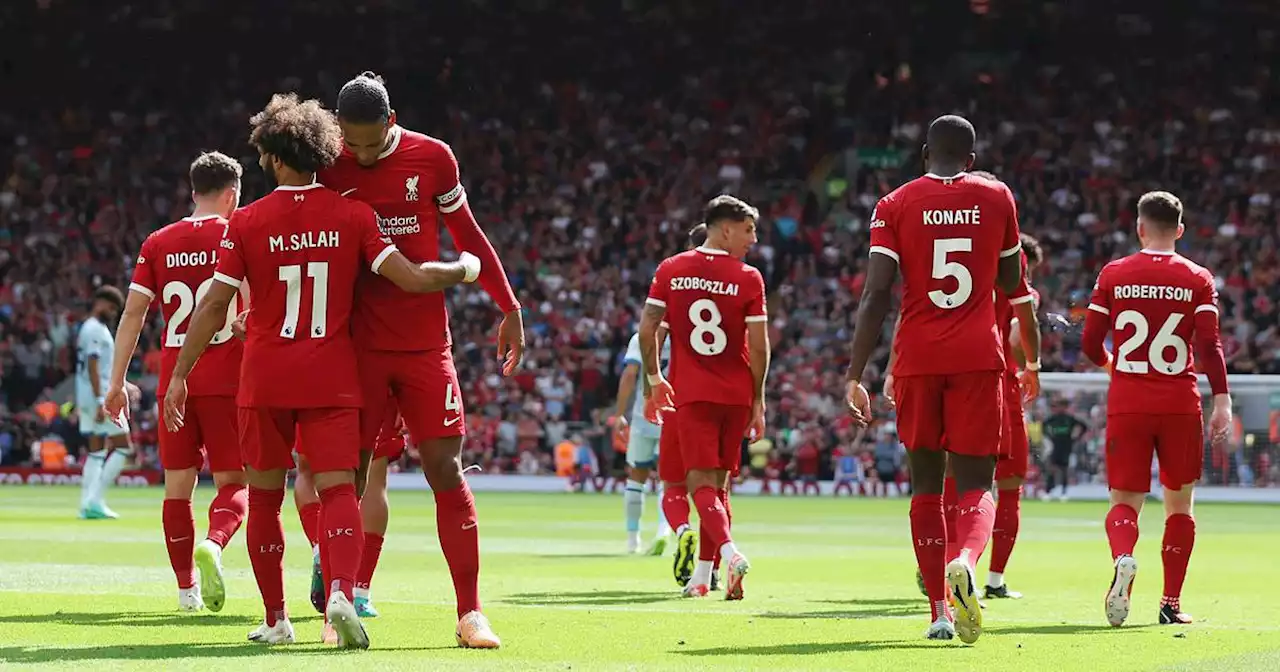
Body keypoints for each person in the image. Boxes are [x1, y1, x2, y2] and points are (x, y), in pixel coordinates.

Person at [161, 92, 480, 648]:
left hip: (265, 377)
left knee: (263, 497)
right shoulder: (354, 215)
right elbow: (407, 276)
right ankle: (340, 591)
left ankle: (276, 619)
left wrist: (181, 372)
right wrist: (462, 270)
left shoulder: (249, 222)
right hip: (332, 376)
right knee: (339, 492)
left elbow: (214, 305)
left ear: (278, 158)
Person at [313, 72, 520, 647]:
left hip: (427, 346)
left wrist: (509, 304)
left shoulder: (433, 158)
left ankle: (470, 614)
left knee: (444, 470)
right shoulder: (327, 164)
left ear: (391, 119)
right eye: (349, 142)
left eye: (369, 141)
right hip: (356, 350)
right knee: (348, 478)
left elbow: (468, 234)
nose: (359, 152)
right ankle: (342, 604)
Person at [844, 115, 1023, 643]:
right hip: (976, 355)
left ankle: (939, 614)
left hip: (917, 357)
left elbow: (876, 294)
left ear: (925, 154)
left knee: (925, 486)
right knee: (976, 484)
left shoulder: (893, 204)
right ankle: (966, 558)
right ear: (971, 159)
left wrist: (856, 373)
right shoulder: (997, 197)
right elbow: (1012, 281)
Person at [103, 151, 248, 613]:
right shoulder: (238, 233)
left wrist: (116, 383)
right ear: (231, 194)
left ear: (192, 192)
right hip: (229, 379)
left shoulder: (158, 242)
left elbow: (132, 315)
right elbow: (250, 306)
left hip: (173, 383)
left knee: (176, 487)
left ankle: (186, 591)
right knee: (234, 483)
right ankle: (216, 543)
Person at [1081, 190, 1231, 628]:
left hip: (1128, 401)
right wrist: (1221, 398)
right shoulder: (1198, 277)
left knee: (1125, 501)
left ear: (1139, 227)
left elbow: (1090, 344)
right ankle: (1169, 603)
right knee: (1179, 507)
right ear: (1180, 230)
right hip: (1179, 402)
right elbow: (1209, 346)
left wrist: (1112, 364)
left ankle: (1125, 557)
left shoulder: (1114, 273)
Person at [640, 195, 770, 601]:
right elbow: (761, 347)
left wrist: (654, 377)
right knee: (719, 486)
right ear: (725, 228)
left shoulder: (672, 269)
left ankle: (730, 554)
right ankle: (702, 577)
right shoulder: (749, 277)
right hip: (736, 393)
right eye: (748, 230)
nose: (753, 239)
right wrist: (758, 400)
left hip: (692, 391)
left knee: (698, 483)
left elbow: (648, 329)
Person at [616, 223, 708, 560]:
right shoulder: (688, 329)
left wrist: (619, 413)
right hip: (681, 409)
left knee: (637, 474)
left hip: (645, 411)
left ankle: (632, 541)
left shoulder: (646, 332)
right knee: (673, 477)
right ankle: (665, 531)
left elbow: (629, 374)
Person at [986, 231, 1044, 600]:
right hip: (1002, 387)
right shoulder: (1023, 291)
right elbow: (1014, 338)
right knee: (1009, 491)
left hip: (956, 381)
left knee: (956, 486)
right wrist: (1030, 367)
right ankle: (993, 580)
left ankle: (945, 561)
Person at [75, 285, 132, 520]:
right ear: (99, 302)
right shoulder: (96, 330)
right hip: (99, 397)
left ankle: (85, 504)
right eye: (110, 307)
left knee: (96, 450)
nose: (112, 312)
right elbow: (93, 365)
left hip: (86, 396)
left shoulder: (86, 328)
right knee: (124, 446)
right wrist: (101, 399)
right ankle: (95, 501)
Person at [1042, 398, 1088, 500]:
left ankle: (1064, 492)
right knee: (1052, 469)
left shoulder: (1069, 419)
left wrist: (1076, 438)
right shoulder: (1054, 418)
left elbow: (1084, 426)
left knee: (1064, 470)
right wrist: (1050, 436)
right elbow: (1043, 425)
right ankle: (1048, 491)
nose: (1061, 408)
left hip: (1066, 446)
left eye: (1063, 406)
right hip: (1056, 446)